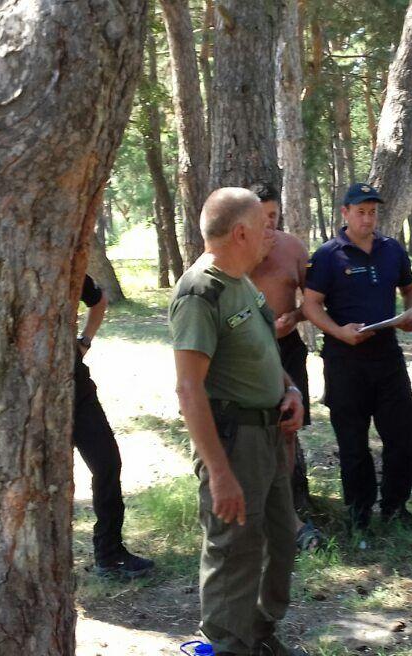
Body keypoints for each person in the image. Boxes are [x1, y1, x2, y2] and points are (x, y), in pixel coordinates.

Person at [170, 187, 306, 656]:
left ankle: (260, 632)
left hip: (269, 435)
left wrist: (290, 390)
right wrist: (221, 473)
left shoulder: (241, 281)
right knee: (235, 549)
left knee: (280, 539)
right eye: (264, 224)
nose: (273, 231)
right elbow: (189, 389)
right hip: (233, 440)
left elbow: (265, 351)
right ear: (241, 231)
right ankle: (228, 643)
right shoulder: (200, 291)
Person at [302, 182, 412, 533]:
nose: (368, 218)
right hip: (344, 360)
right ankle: (359, 513)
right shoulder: (328, 254)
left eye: (372, 212)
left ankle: (395, 507)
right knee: (353, 444)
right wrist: (339, 332)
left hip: (387, 357)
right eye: (360, 212)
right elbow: (311, 305)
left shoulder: (391, 249)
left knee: (401, 438)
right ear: (345, 213)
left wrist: (411, 313)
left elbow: (410, 287)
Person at [247, 181, 323, 552]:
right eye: (262, 217)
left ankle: (289, 505)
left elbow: (312, 301)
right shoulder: (237, 249)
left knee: (289, 429)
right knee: (253, 432)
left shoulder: (293, 248)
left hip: (288, 347)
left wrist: (293, 317)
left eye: (274, 216)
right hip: (248, 352)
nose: (269, 224)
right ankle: (258, 510)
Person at [74, 274, 154, 579]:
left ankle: (108, 553)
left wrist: (84, 342)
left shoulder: (68, 266)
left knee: (107, 463)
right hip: (26, 393)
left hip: (75, 385)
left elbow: (99, 300)